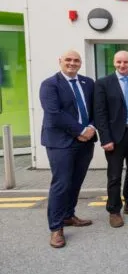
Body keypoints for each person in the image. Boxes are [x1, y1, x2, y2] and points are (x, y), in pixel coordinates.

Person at [40, 50, 96, 248]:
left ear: (81, 63)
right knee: (61, 184)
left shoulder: (88, 83)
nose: (72, 63)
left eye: (76, 60)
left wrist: (91, 128)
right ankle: (56, 228)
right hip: (60, 142)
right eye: (68, 60)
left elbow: (96, 108)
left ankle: (68, 216)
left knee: (75, 182)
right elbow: (54, 113)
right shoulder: (50, 84)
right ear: (60, 61)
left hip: (85, 141)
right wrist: (79, 130)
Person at [94, 50, 128, 228]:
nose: (122, 65)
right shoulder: (103, 83)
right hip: (115, 136)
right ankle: (114, 210)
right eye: (118, 62)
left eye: (125, 62)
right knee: (115, 175)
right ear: (114, 62)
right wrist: (105, 139)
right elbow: (100, 113)